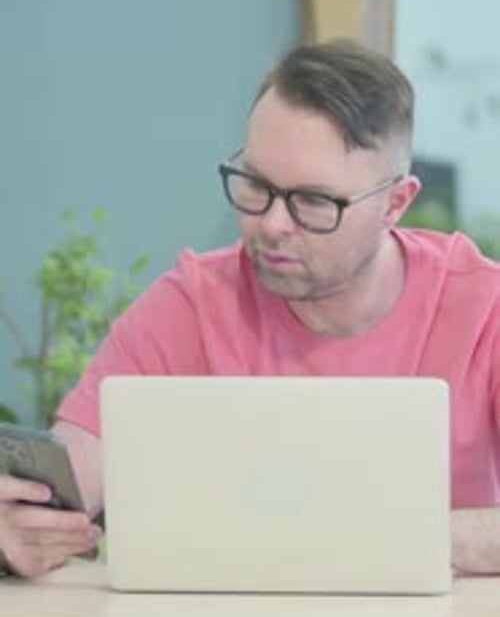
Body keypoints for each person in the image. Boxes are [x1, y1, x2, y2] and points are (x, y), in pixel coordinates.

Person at [1, 38, 500, 579]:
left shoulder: (483, 308)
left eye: (313, 201)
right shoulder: (193, 301)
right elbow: (69, 482)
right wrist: (21, 525)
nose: (272, 225)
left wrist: (394, 538)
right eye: (257, 185)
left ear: (395, 204)